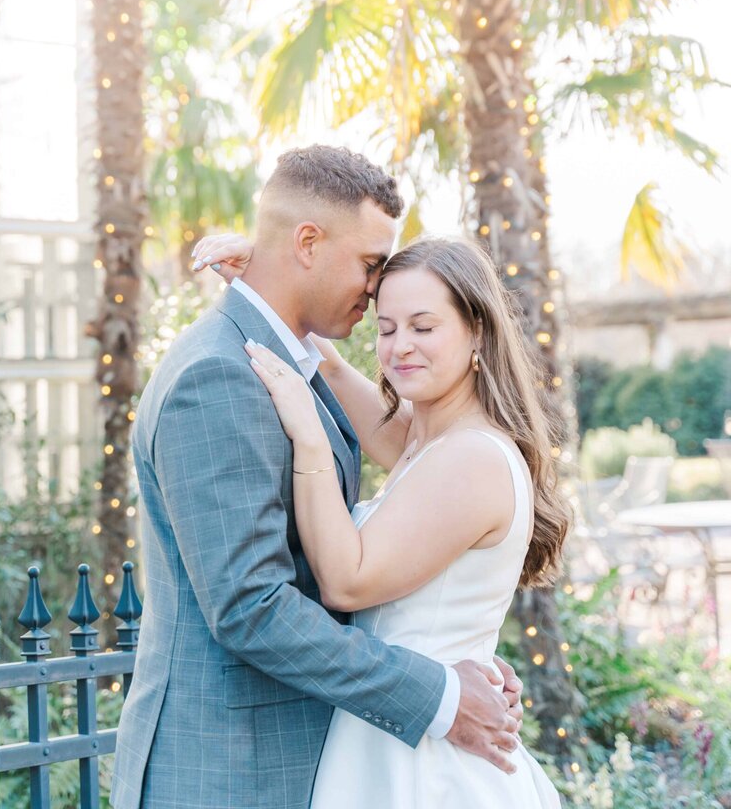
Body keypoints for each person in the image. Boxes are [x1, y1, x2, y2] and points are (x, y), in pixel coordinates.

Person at [111, 146, 524, 809]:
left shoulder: (289, 364)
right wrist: (440, 692)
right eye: (370, 264)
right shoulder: (218, 376)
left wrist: (454, 650)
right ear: (307, 242)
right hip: (230, 774)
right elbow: (251, 609)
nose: (376, 286)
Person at [200, 231, 569, 807]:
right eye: (387, 328)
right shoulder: (427, 440)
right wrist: (268, 276)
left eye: (424, 327)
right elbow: (336, 375)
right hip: (394, 732)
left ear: (476, 330)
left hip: (428, 764)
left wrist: (309, 439)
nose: (401, 348)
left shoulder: (470, 458)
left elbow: (346, 583)